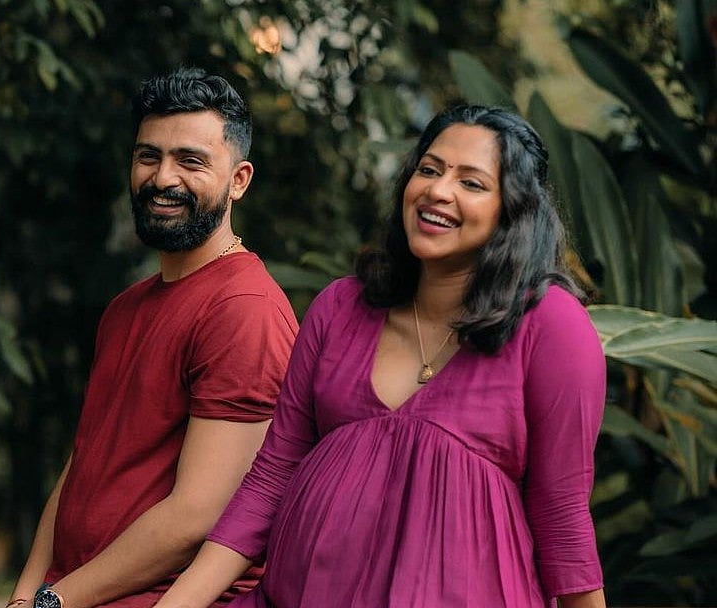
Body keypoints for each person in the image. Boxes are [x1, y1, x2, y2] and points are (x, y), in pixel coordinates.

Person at [153, 105, 607, 608]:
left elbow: (562, 516)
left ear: (513, 211)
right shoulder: (341, 307)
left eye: (472, 183)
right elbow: (271, 478)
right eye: (429, 170)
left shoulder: (552, 327)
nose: (438, 190)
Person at [7, 68, 299, 608]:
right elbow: (82, 466)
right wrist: (27, 595)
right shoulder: (125, 308)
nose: (163, 178)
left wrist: (54, 601)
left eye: (190, 161)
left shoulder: (244, 310)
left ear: (239, 180)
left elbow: (199, 515)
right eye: (148, 156)